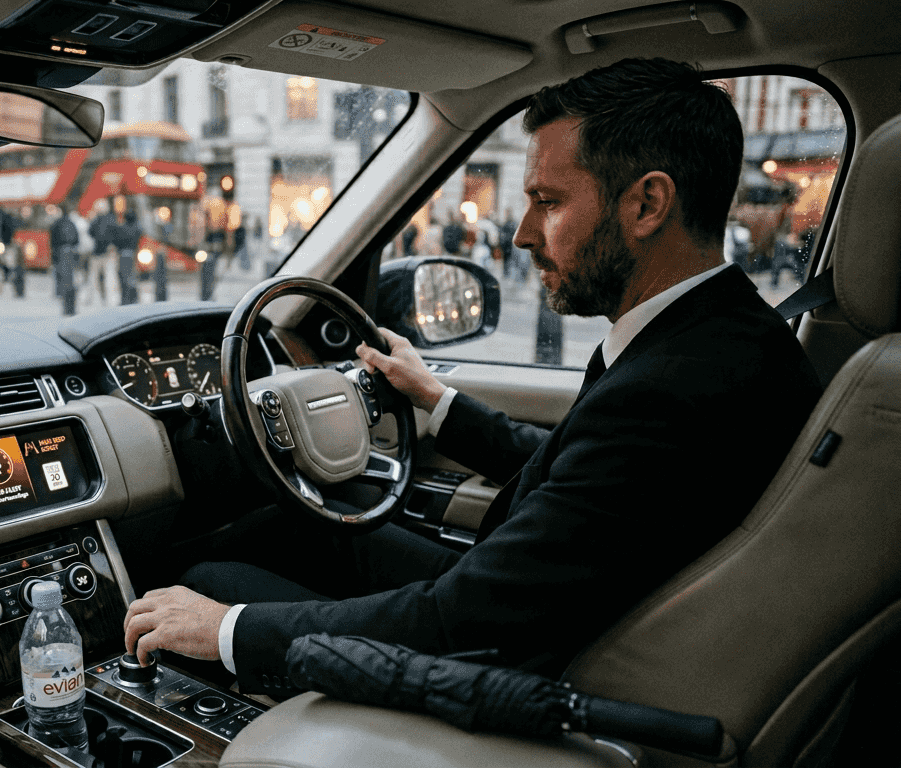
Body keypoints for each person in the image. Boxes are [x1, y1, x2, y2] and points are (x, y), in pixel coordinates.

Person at [121, 58, 823, 697]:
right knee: (302, 529)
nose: (520, 233)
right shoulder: (726, 337)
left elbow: (461, 620)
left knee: (207, 586)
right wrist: (435, 400)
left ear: (646, 204)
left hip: (522, 665)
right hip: (547, 604)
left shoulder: (676, 388)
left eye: (547, 201)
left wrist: (224, 628)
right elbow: (579, 475)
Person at [50, 204, 80, 316]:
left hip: (61, 252)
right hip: (71, 251)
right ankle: (71, 308)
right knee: (70, 280)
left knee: (64, 280)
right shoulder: (71, 223)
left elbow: (52, 241)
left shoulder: (56, 224)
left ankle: (67, 308)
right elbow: (77, 239)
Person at [113, 209, 142, 305]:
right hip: (133, 254)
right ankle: (134, 299)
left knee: (124, 278)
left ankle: (125, 300)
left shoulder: (121, 228)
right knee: (132, 277)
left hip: (123, 255)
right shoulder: (137, 229)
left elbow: (116, 241)